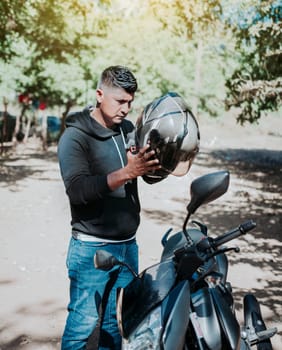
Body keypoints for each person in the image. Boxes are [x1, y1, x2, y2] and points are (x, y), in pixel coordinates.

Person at [58, 65, 161, 350]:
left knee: (114, 325)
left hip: (128, 247)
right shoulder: (74, 138)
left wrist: (158, 164)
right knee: (82, 326)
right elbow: (77, 191)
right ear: (100, 94)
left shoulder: (127, 129)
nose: (126, 109)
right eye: (120, 101)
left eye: (130, 101)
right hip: (92, 250)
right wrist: (129, 172)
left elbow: (143, 174)